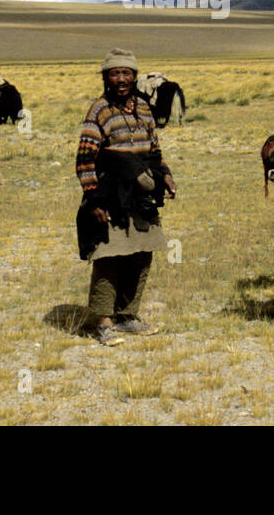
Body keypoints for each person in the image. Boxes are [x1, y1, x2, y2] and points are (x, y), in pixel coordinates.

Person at [75, 48, 176, 346]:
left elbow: (155, 151)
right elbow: (84, 158)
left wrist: (166, 175)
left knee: (142, 252)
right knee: (109, 254)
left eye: (126, 73)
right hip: (111, 195)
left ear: (134, 76)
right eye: (115, 74)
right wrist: (93, 199)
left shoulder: (144, 108)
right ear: (107, 78)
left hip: (142, 194)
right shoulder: (99, 110)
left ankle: (128, 316)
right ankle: (104, 321)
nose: (121, 79)